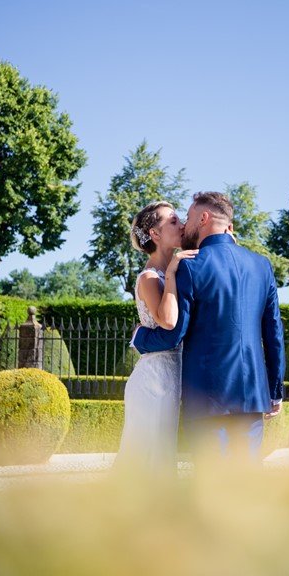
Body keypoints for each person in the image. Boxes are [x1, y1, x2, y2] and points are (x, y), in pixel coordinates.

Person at [132, 191, 285, 462]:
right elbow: (273, 333)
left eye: (188, 218)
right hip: (253, 395)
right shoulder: (262, 265)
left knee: (212, 486)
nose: (184, 226)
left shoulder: (190, 267)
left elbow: (173, 334)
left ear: (203, 218)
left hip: (208, 399)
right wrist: (275, 391)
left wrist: (140, 337)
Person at [115, 201, 197, 474]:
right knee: (147, 455)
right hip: (153, 379)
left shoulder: (175, 270)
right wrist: (172, 271)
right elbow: (169, 321)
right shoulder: (150, 277)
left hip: (171, 374)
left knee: (161, 454)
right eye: (173, 221)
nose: (182, 224)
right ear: (155, 234)